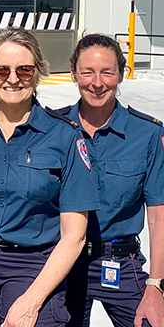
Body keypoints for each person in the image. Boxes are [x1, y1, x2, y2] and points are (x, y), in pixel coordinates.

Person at [0, 26, 99, 327]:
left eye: (24, 70)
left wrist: (31, 301)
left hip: (35, 266)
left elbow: (75, 235)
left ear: (38, 72)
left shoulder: (65, 136)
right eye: (1, 70)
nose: (13, 78)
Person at [57, 34, 164, 327]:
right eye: (87, 72)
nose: (97, 82)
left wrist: (156, 285)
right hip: (63, 262)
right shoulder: (54, 129)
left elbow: (158, 216)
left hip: (120, 261)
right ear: (73, 74)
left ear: (121, 74)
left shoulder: (148, 134)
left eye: (107, 72)